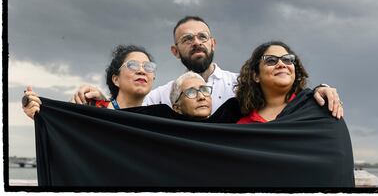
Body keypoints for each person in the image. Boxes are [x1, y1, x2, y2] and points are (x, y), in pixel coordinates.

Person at [72, 16, 343, 118]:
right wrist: (101, 103)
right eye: (187, 39)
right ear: (175, 51)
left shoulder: (244, 84)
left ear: (213, 43)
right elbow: (128, 120)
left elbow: (282, 95)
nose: (196, 43)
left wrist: (320, 89)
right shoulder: (162, 95)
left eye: (202, 37)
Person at [22, 44, 156, 118]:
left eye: (148, 67)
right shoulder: (90, 110)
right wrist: (40, 115)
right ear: (116, 79)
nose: (142, 71)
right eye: (133, 65)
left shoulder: (157, 120)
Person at [236, 40, 341, 123]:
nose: (282, 64)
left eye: (287, 59)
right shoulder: (242, 125)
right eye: (271, 60)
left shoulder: (317, 110)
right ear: (256, 76)